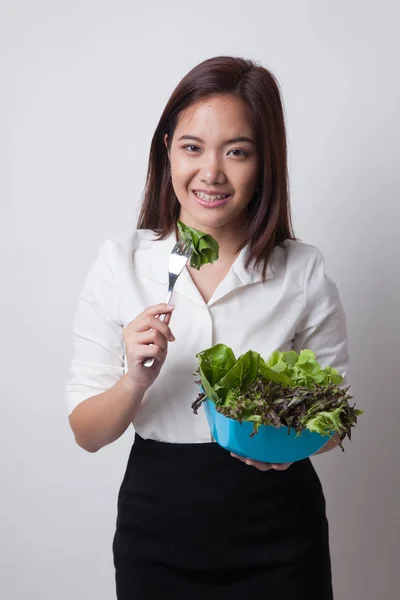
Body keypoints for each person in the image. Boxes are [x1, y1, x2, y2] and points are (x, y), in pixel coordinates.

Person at [66, 56, 350, 599]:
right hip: (157, 530)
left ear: (265, 162)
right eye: (192, 147)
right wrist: (134, 381)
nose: (211, 173)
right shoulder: (119, 263)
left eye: (237, 152)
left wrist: (281, 434)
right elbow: (87, 433)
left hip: (281, 532)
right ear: (167, 148)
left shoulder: (302, 271)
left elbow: (333, 424)